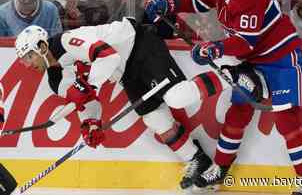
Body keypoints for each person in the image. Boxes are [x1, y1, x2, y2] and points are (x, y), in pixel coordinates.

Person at [145, 0, 302, 194]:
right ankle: (220, 170)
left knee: (287, 121)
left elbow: (244, 42)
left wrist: (214, 48)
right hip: (252, 60)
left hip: (280, 58)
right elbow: (196, 0)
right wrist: (169, 2)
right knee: (237, 113)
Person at [15, 19, 219, 190]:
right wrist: (91, 124)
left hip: (139, 44)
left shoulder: (66, 41)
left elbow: (107, 55)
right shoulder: (56, 81)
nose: (27, 64)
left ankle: (227, 76)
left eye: (29, 56)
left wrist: (88, 84)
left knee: (177, 96)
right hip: (126, 72)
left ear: (42, 47)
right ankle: (199, 161)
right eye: (23, 60)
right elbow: (84, 101)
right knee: (155, 119)